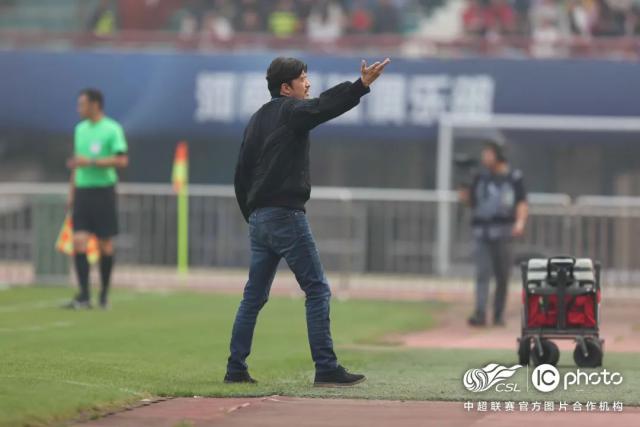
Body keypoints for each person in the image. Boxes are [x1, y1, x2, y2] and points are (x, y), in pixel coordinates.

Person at [227, 56, 390, 386]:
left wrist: (253, 216)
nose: (308, 83)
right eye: (302, 78)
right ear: (286, 88)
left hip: (259, 218)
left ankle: (235, 368)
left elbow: (241, 174)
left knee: (253, 297)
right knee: (317, 289)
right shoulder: (291, 111)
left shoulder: (256, 120)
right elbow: (323, 107)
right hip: (285, 215)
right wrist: (360, 86)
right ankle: (326, 367)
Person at [64, 89, 129, 310]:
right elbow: (77, 164)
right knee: (79, 241)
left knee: (105, 244)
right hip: (83, 191)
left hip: (103, 191)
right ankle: (83, 295)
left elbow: (122, 160)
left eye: (82, 104)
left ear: (95, 105)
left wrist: (91, 161)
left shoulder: (112, 129)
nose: (78, 109)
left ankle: (103, 294)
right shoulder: (79, 130)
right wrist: (71, 192)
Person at [459, 141, 528, 327]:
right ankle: (480, 312)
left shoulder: (513, 178)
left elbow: (521, 202)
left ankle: (498, 314)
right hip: (482, 231)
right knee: (482, 273)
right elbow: (472, 203)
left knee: (502, 275)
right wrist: (464, 191)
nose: (485, 158)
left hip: (504, 232)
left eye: (489, 154)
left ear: (499, 156)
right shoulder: (480, 178)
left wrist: (520, 222)